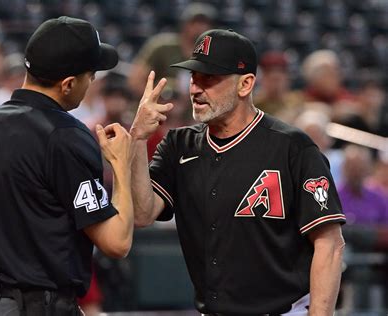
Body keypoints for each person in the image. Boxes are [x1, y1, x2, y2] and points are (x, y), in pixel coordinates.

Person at [130, 29, 346, 315]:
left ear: (245, 84)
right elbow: (143, 213)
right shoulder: (178, 145)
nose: (195, 88)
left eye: (209, 78)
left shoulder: (292, 147)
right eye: (193, 77)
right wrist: (137, 139)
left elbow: (329, 243)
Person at [0, 16, 148, 315]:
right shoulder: (68, 136)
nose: (91, 83)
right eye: (90, 75)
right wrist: (120, 165)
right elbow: (117, 243)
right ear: (68, 84)